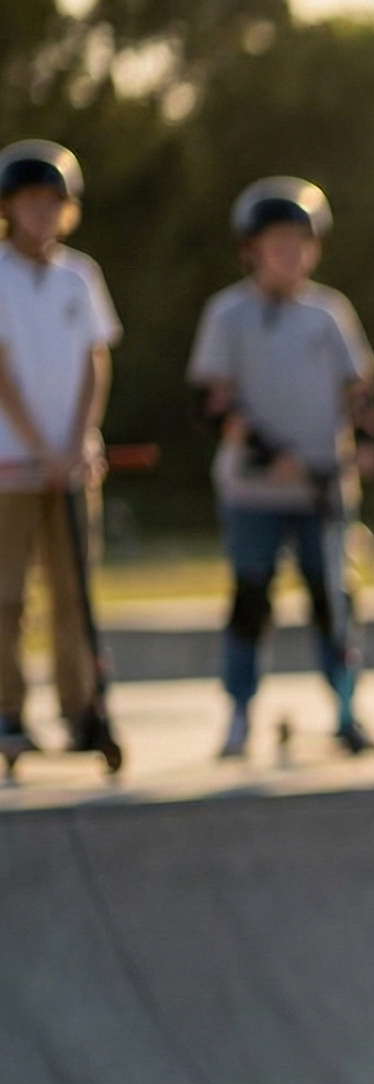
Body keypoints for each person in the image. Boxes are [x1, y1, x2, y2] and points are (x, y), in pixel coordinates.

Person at [189, 177, 374, 759]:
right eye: (277, 242)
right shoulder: (228, 314)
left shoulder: (328, 313)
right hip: (255, 489)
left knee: (335, 602)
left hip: (323, 489)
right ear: (251, 248)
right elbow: (213, 402)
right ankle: (240, 712)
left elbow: (361, 389)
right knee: (252, 600)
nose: (290, 254)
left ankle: (347, 708)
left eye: (300, 242)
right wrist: (272, 454)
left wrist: (368, 439)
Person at [0, 140, 117, 764]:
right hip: (11, 465)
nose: (42, 213)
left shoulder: (81, 274)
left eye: (53, 202)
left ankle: (82, 708)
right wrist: (41, 448)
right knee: (7, 593)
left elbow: (95, 360)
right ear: (10, 207)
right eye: (30, 202)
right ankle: (9, 708)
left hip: (72, 463)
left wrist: (75, 443)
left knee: (75, 591)